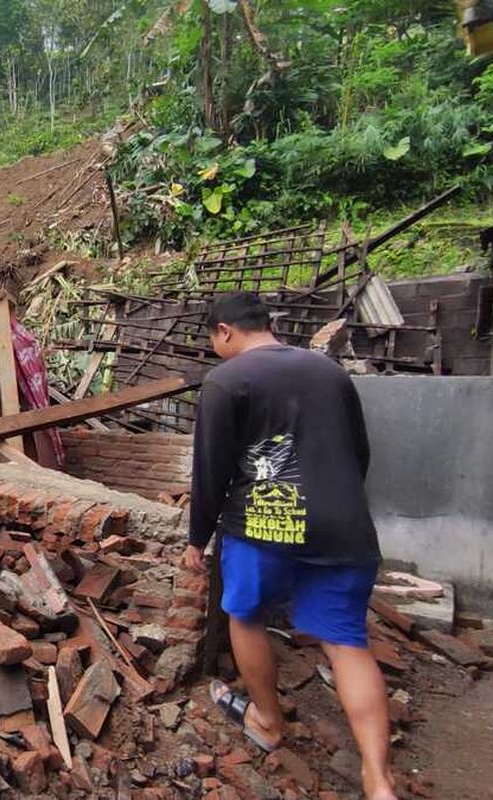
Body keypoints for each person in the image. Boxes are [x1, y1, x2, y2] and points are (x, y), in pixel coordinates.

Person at [181, 292, 396, 800]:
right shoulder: (330, 373)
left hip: (262, 529)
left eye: (213, 339)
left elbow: (209, 471)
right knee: (345, 641)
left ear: (224, 332)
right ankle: (378, 777)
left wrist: (197, 538)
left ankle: (267, 721)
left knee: (247, 617)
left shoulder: (226, 381)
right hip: (344, 528)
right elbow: (358, 453)